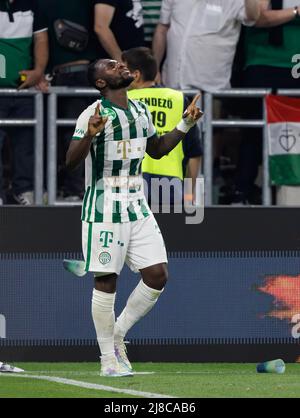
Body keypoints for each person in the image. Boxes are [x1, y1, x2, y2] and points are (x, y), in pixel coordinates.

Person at [66, 58, 202, 376]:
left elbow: (156, 149)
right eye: (112, 67)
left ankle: (118, 334)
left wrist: (184, 125)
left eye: (121, 64)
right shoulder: (92, 114)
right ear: (101, 83)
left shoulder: (140, 111)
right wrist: (88, 135)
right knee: (106, 280)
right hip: (104, 207)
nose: (121, 66)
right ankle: (108, 361)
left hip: (137, 204)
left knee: (157, 275)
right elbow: (70, 162)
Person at [232, 0, 300, 204]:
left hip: (294, 63)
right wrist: (296, 12)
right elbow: (257, 17)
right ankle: (242, 191)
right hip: (265, 62)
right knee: (255, 132)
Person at [122, 47, 202, 204]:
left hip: (131, 183)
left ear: (136, 75)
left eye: (124, 71)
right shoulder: (178, 99)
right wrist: (189, 194)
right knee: (169, 229)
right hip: (171, 184)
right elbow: (194, 152)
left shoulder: (123, 100)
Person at [40, 0, 99, 201]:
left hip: (73, 74)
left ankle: (73, 190)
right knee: (73, 133)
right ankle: (72, 188)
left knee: (74, 133)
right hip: (79, 75)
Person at [152, 0, 260, 91]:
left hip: (210, 90)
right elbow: (162, 28)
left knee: (207, 116)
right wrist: (154, 68)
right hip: (171, 86)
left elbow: (253, 16)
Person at [0, 0, 48, 205]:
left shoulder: (33, 4)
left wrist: (38, 72)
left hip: (25, 91)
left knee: (27, 144)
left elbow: (41, 40)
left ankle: (25, 190)